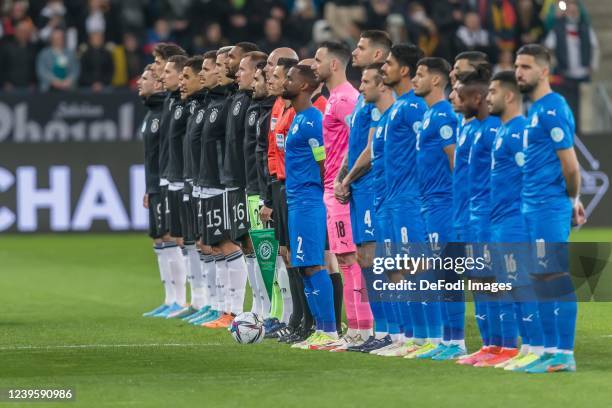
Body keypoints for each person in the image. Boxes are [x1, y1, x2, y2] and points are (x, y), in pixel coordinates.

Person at [514, 44, 585, 373]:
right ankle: (546, 351)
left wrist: (572, 199)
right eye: (517, 66)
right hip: (532, 206)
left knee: (553, 276)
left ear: (544, 71)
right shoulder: (536, 110)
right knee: (539, 277)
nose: (519, 72)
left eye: (526, 66)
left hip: (548, 205)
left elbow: (570, 166)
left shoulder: (554, 108)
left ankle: (563, 353)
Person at [485, 70, 545, 371]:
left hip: (514, 221)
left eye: (493, 92)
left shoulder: (519, 130)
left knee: (520, 285)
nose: (487, 97)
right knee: (507, 286)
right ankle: (523, 349)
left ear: (508, 96)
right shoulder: (503, 131)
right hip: (499, 221)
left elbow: (530, 175)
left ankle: (535, 348)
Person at [336, 30, 392, 353]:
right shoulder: (362, 96)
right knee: (364, 258)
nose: (354, 52)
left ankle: (384, 330)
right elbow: (353, 145)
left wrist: (349, 177)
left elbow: (371, 148)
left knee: (374, 258)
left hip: (371, 186)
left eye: (360, 48)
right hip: (357, 187)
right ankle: (376, 331)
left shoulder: (382, 96)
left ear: (377, 55)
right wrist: (343, 176)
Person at [283, 64, 339, 348]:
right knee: (303, 266)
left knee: (314, 265)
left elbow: (324, 164)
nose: (285, 81)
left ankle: (329, 331)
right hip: (297, 202)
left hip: (308, 202)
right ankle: (320, 328)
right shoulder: (297, 118)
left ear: (304, 86)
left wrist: (320, 196)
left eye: (290, 78)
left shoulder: (312, 120)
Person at [310, 40, 360, 351]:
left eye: (317, 59)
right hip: (332, 188)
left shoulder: (344, 99)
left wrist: (344, 179)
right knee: (344, 259)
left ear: (334, 65)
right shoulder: (332, 99)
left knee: (350, 259)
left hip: (341, 190)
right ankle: (355, 331)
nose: (313, 65)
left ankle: (360, 331)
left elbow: (360, 142)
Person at [409, 57, 457, 359]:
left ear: (437, 80)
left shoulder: (444, 116)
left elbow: (455, 162)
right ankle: (444, 340)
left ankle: (456, 343)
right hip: (427, 204)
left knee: (446, 273)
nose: (414, 79)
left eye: (420, 74)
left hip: (443, 203)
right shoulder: (429, 115)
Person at [139, 64, 172, 318]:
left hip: (169, 183)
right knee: (160, 237)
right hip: (157, 185)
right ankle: (171, 298)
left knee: (173, 237)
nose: (140, 81)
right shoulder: (152, 112)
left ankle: (181, 299)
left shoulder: (165, 111)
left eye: (146, 77)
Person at [160, 54, 190, 318]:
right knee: (182, 239)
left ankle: (196, 301)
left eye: (166, 70)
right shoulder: (169, 103)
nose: (162, 76)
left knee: (197, 241)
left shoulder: (186, 104)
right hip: (175, 177)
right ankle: (181, 300)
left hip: (189, 178)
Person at [36, 27, 79, 91]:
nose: (57, 40)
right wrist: (53, 80)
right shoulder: (44, 53)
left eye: (60, 38)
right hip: (48, 89)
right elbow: (41, 70)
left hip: (67, 88)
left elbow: (75, 70)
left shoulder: (70, 54)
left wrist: (69, 80)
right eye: (55, 38)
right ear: (51, 39)